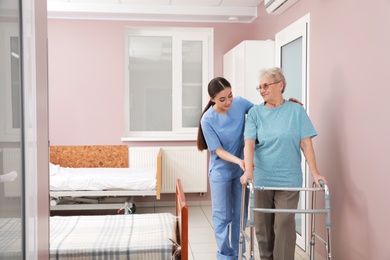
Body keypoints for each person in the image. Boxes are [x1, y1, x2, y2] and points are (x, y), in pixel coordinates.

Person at [240, 67, 327, 260]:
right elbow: (249, 144)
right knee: (263, 228)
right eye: (259, 87)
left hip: (288, 178)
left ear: (281, 85)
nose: (262, 90)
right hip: (263, 178)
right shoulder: (255, 113)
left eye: (266, 85)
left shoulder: (296, 111)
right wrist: (248, 171)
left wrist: (315, 173)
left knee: (284, 225)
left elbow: (306, 143)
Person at [197, 77, 252, 260]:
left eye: (230, 96)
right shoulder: (207, 119)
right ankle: (226, 256)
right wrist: (239, 160)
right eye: (222, 99)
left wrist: (286, 105)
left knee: (240, 215)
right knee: (222, 217)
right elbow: (218, 151)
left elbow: (264, 112)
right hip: (220, 172)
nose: (228, 102)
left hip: (240, 171)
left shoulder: (240, 104)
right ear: (212, 99)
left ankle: (239, 254)